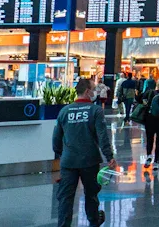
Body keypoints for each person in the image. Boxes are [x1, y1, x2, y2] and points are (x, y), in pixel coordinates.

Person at [53, 78, 117, 227]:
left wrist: (61, 154)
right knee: (91, 194)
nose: (95, 92)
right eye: (94, 89)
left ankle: (63, 224)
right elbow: (102, 136)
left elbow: (56, 138)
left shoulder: (65, 111)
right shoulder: (95, 111)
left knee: (65, 197)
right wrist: (109, 156)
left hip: (69, 162)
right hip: (90, 160)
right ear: (88, 92)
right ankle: (94, 221)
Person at [142, 78, 159, 171]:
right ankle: (156, 162)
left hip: (150, 119)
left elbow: (140, 99)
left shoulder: (151, 92)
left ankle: (149, 156)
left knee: (149, 139)